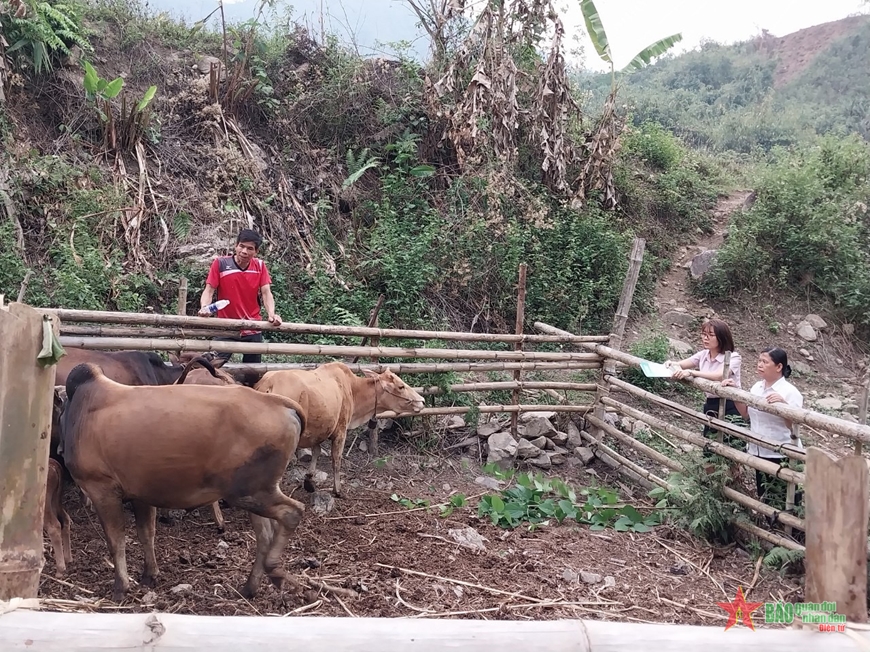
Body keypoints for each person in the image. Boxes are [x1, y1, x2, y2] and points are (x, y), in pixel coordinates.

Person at [722, 347, 804, 508]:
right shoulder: (757, 388)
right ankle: (774, 530)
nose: (759, 364)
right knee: (766, 497)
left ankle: (792, 533)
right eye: (759, 360)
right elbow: (746, 414)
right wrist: (735, 393)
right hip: (759, 450)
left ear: (779, 367)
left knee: (785, 500)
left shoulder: (790, 392)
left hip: (781, 454)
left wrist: (783, 406)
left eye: (765, 362)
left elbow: (794, 427)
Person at [198, 228, 281, 364]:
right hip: (226, 326)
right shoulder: (221, 264)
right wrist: (205, 307)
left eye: (250, 248)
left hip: (253, 327)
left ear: (256, 252)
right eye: (241, 246)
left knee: (252, 373)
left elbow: (266, 293)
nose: (244, 251)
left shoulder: (259, 266)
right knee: (212, 367)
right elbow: (209, 290)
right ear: (236, 246)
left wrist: (272, 314)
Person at [664, 318, 746, 453]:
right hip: (710, 404)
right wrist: (671, 363)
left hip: (731, 405)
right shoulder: (703, 354)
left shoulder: (733, 357)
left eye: (711, 335)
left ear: (722, 337)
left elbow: (720, 375)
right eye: (703, 334)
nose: (705, 338)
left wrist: (692, 373)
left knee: (732, 451)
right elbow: (681, 364)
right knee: (709, 450)